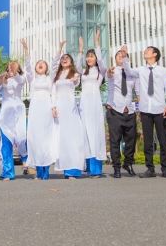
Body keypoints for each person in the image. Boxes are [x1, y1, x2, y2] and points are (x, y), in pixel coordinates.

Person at [121, 45, 166, 178]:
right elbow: (128, 72)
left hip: (159, 109)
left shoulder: (162, 71)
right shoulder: (141, 70)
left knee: (162, 140)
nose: (145, 51)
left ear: (155, 54)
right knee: (147, 141)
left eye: (148, 50)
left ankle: (165, 168)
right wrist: (125, 57)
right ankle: (150, 168)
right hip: (145, 109)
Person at [22, 39, 56, 180]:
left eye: (43, 63)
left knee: (45, 139)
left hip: (47, 110)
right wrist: (26, 51)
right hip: (35, 109)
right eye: (38, 64)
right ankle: (37, 170)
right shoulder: (33, 80)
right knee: (35, 139)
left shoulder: (50, 79)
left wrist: (54, 107)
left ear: (46, 68)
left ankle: (45, 172)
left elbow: (55, 66)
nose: (40, 64)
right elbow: (28, 68)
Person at [75, 31, 107, 178]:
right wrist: (80, 49)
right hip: (84, 104)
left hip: (94, 104)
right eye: (88, 56)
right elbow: (77, 66)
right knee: (85, 134)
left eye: (91, 56)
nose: (89, 58)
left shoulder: (100, 73)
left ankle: (96, 169)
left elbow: (101, 62)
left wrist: (97, 43)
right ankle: (88, 167)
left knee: (95, 134)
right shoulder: (83, 73)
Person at [51, 40, 85, 179]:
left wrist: (81, 49)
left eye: (67, 58)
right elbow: (53, 91)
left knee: (74, 137)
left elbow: (77, 80)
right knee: (62, 139)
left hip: (71, 108)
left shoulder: (74, 74)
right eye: (62, 58)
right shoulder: (56, 75)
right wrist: (53, 106)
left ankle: (74, 169)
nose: (64, 59)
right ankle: (66, 169)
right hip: (59, 108)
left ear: (71, 63)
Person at [106, 49, 138, 178]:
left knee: (131, 139)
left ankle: (128, 163)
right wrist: (109, 71)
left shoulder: (133, 74)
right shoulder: (113, 71)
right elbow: (108, 75)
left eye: (123, 56)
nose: (121, 57)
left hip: (129, 111)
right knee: (115, 140)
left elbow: (138, 91)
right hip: (115, 111)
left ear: (127, 59)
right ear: (115, 59)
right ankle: (117, 167)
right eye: (118, 55)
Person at [0, 59, 28, 180]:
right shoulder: (4, 79)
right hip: (6, 113)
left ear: (19, 69)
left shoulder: (21, 78)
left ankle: (25, 158)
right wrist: (2, 78)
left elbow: (20, 79)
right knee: (6, 142)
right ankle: (8, 172)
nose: (11, 66)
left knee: (21, 138)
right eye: (9, 65)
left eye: (15, 65)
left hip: (19, 112)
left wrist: (15, 72)